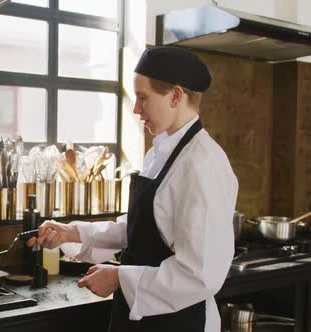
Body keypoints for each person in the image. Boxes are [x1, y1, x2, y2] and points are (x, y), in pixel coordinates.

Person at [27, 46, 238, 332]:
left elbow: (199, 275)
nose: (136, 109)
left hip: (178, 322)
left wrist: (119, 279)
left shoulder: (202, 165)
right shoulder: (160, 151)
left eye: (143, 98)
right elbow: (140, 230)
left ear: (176, 96)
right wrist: (73, 232)